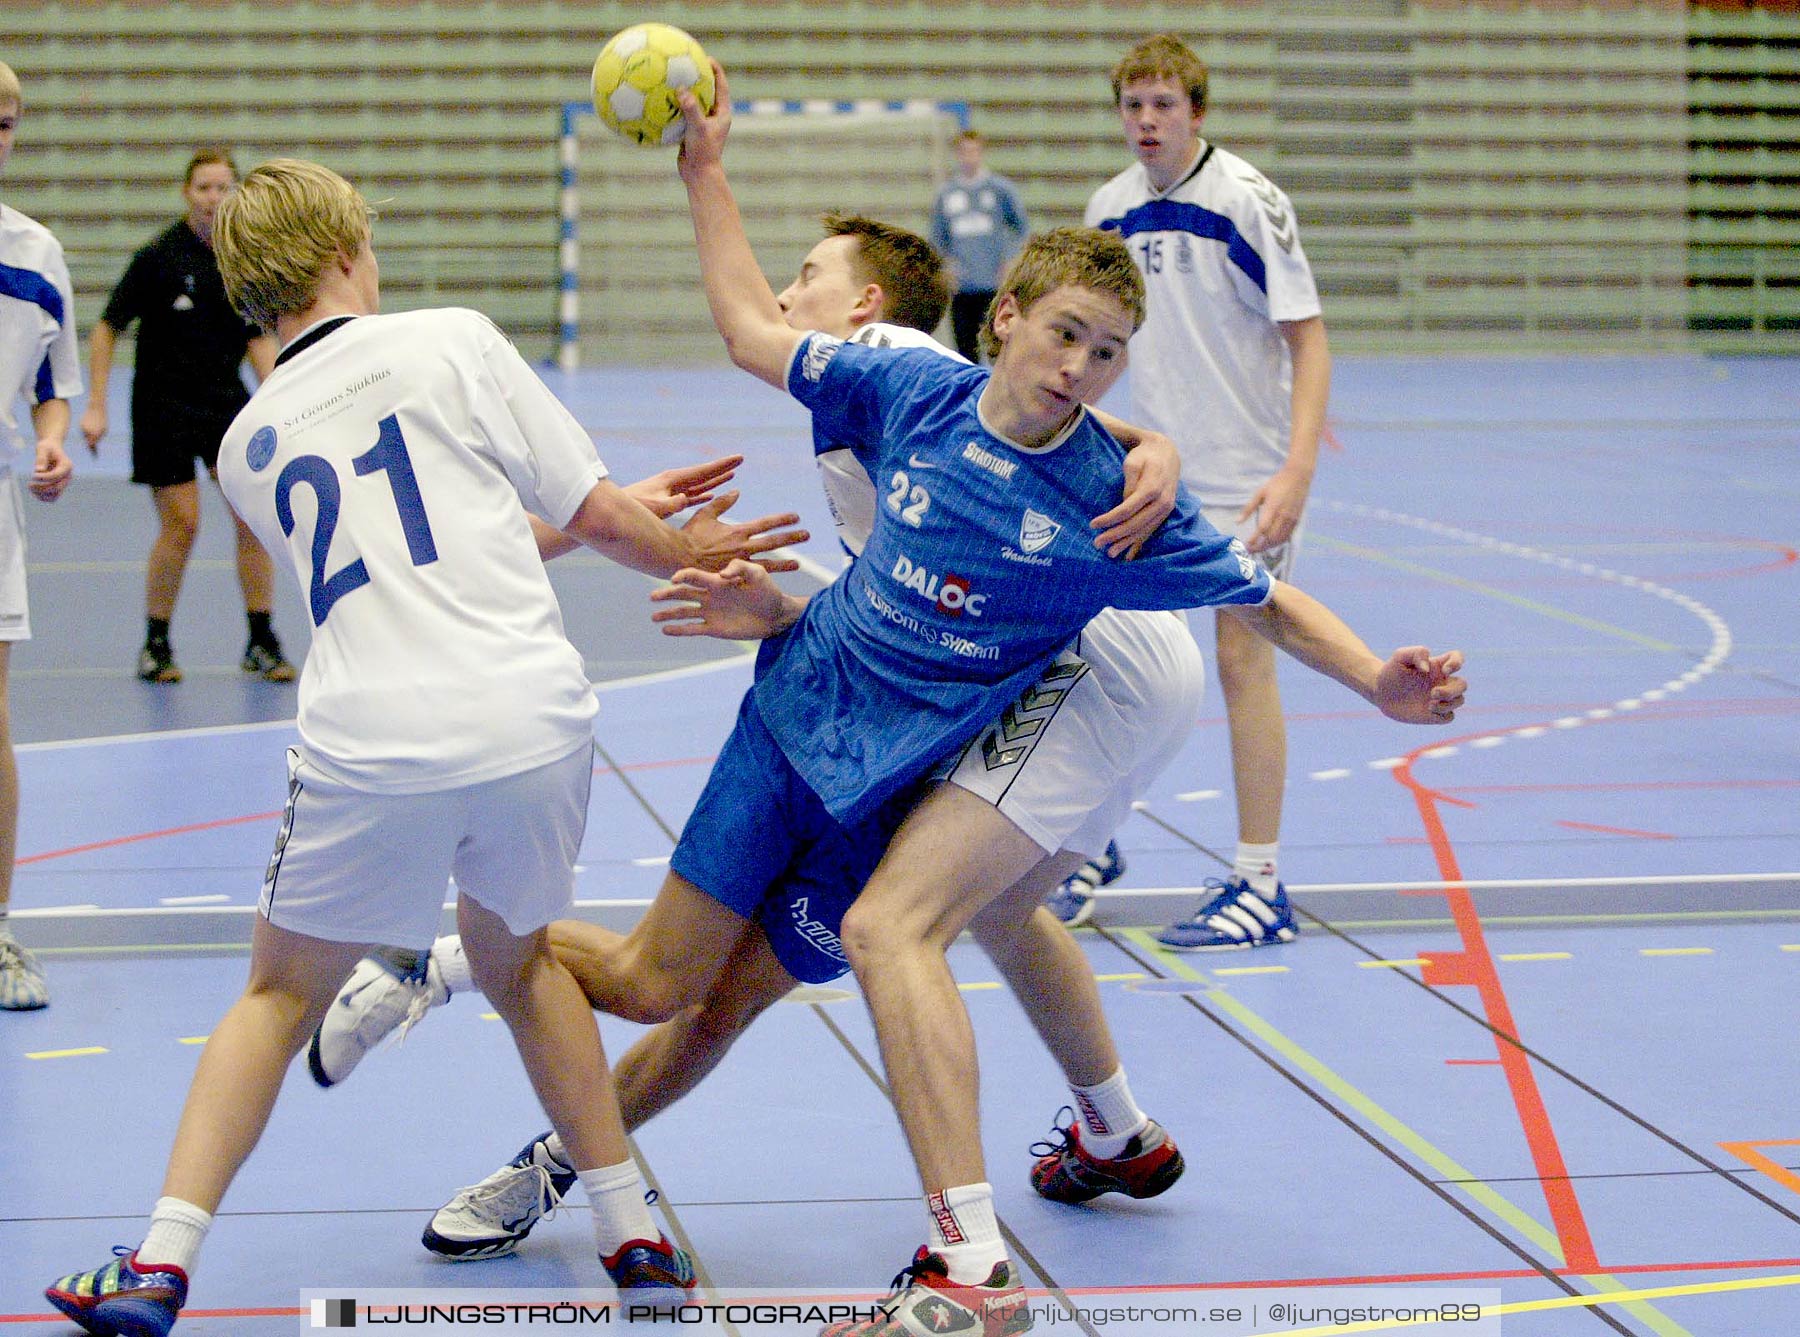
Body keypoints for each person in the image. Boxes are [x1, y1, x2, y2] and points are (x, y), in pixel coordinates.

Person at [321, 62, 1460, 1336]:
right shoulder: (901, 394)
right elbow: (759, 341)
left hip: (942, 754)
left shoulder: (1097, 483)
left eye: (1108, 353)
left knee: (818, 959)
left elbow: (1259, 597)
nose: (1081, 365)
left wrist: (1375, 675)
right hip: (793, 720)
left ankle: (942, 1244)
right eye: (1066, 334)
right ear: (1007, 317)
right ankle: (449, 969)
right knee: (659, 974)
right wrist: (704, 170)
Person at [307, 210, 1203, 1267]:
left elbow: (764, 330)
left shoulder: (888, 362)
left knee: (738, 994)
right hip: (844, 730)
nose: (787, 295)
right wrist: (781, 614)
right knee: (695, 974)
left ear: (867, 307)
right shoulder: (924, 410)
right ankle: (1110, 1135)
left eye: (810, 276)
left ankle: (552, 1147)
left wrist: (1160, 450)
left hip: (999, 728)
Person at [43, 156, 809, 1337]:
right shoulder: (454, 338)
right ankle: (635, 1233)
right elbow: (599, 522)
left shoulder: (250, 441)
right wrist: (690, 550)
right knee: (523, 966)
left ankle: (157, 1263)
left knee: (277, 992)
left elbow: (418, 550)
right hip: (530, 721)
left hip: (374, 739)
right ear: (349, 250)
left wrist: (602, 516)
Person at [1053, 33, 1335, 950]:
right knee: (1104, 656)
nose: (1145, 121)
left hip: (1246, 478)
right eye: (1132, 105)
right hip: (1152, 474)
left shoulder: (1248, 203)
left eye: (1163, 105)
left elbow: (1309, 338)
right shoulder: (1110, 209)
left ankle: (1260, 884)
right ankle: (1091, 847)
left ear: (1196, 112)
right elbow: (1093, 337)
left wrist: (1295, 470)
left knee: (1243, 663)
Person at [81, 148, 291, 684]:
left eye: (224, 188)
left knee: (251, 517)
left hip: (224, 403)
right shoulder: (157, 257)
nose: (214, 199)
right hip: (162, 407)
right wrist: (97, 404)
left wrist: (285, 396)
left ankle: (261, 640)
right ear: (187, 194)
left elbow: (257, 338)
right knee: (183, 524)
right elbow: (108, 326)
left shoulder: (244, 260)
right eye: (204, 188)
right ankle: (156, 643)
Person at [0, 62, 77, 1012]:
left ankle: (0, 932)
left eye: (9, 121)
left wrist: (52, 443)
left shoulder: (34, 254)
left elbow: (50, 386)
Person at [929, 129, 1028, 363]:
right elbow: (937, 236)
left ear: (981, 153)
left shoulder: (999, 189)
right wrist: (947, 265)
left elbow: (1020, 227)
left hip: (992, 283)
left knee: (997, 346)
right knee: (965, 350)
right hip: (962, 286)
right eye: (964, 151)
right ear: (957, 154)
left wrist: (1010, 259)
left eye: (973, 151)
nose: (969, 156)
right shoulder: (947, 194)